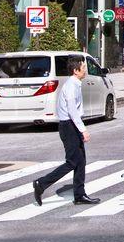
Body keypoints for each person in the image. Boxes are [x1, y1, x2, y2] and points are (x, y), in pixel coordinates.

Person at [33, 57, 100, 206]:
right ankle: (41, 183)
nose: (85, 70)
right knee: (72, 162)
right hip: (68, 126)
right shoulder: (71, 86)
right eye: (83, 67)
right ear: (76, 71)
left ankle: (80, 195)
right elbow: (72, 111)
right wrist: (83, 130)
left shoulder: (75, 84)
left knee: (80, 161)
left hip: (70, 125)